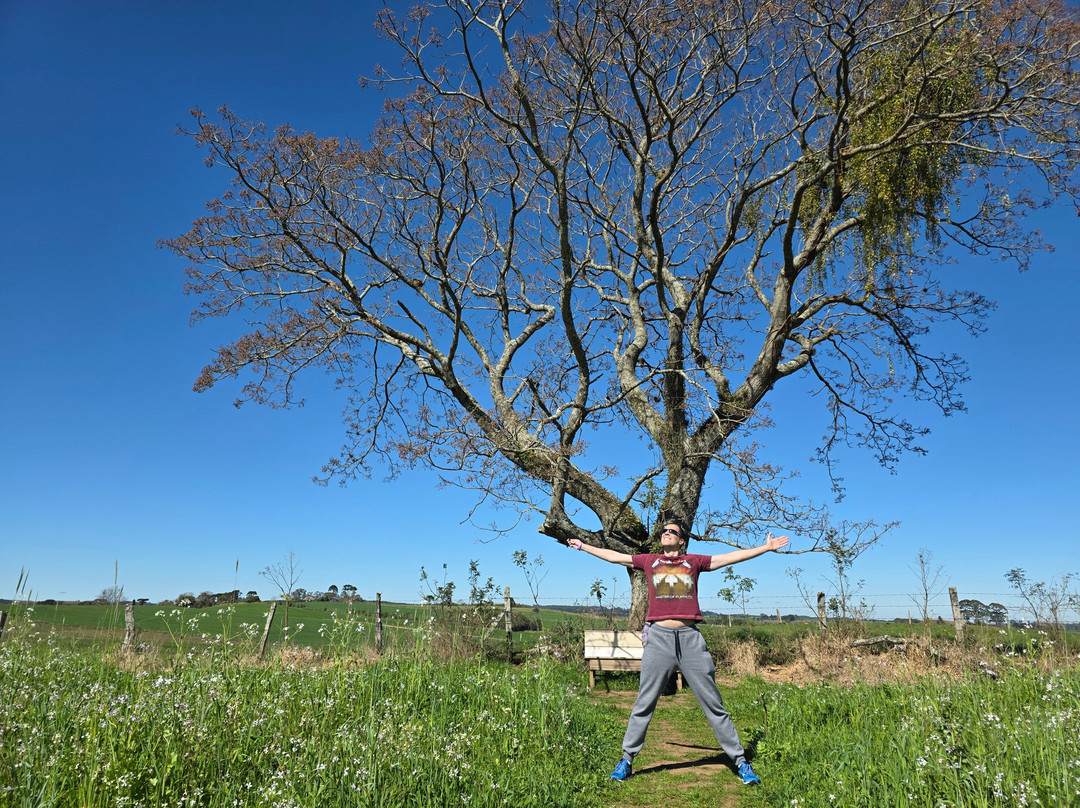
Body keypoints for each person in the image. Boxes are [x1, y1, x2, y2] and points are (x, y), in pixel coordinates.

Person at [568, 523, 789, 786]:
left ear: (681, 540)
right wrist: (583, 546)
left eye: (672, 531)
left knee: (713, 703)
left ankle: (740, 761)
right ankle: (626, 760)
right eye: (663, 530)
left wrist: (765, 547)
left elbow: (728, 557)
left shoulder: (693, 562)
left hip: (690, 639)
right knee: (644, 702)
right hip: (659, 638)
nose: (666, 532)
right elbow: (615, 557)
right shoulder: (649, 561)